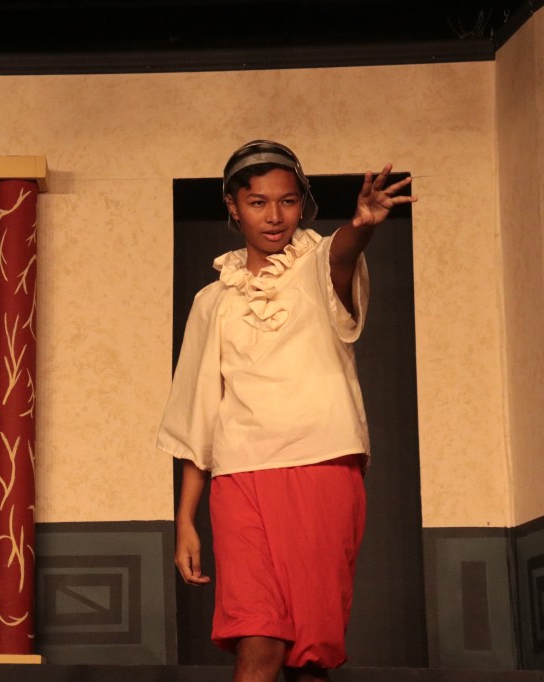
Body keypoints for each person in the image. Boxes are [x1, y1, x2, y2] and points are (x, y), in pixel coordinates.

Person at [157, 140, 417, 682]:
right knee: (258, 639)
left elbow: (342, 254)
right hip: (239, 478)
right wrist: (185, 521)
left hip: (322, 466)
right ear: (233, 206)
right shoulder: (212, 301)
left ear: (302, 205)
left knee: (309, 656)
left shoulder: (319, 265)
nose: (274, 216)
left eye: (288, 201)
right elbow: (197, 412)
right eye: (258, 202)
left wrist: (362, 225)